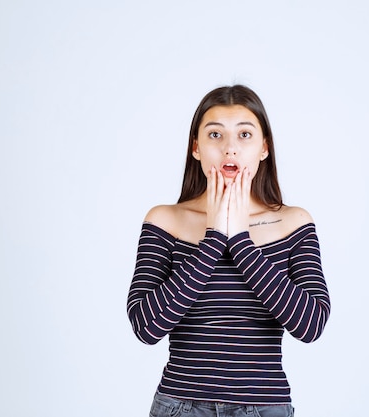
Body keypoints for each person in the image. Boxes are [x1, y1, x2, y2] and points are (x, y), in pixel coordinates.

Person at [126, 85, 331, 417]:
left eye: (245, 134)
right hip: (181, 406)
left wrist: (240, 240)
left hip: (264, 407)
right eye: (215, 135)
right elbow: (146, 326)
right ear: (196, 148)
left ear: (264, 147)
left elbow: (310, 325)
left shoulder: (294, 222)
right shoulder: (165, 221)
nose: (230, 149)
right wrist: (214, 238)